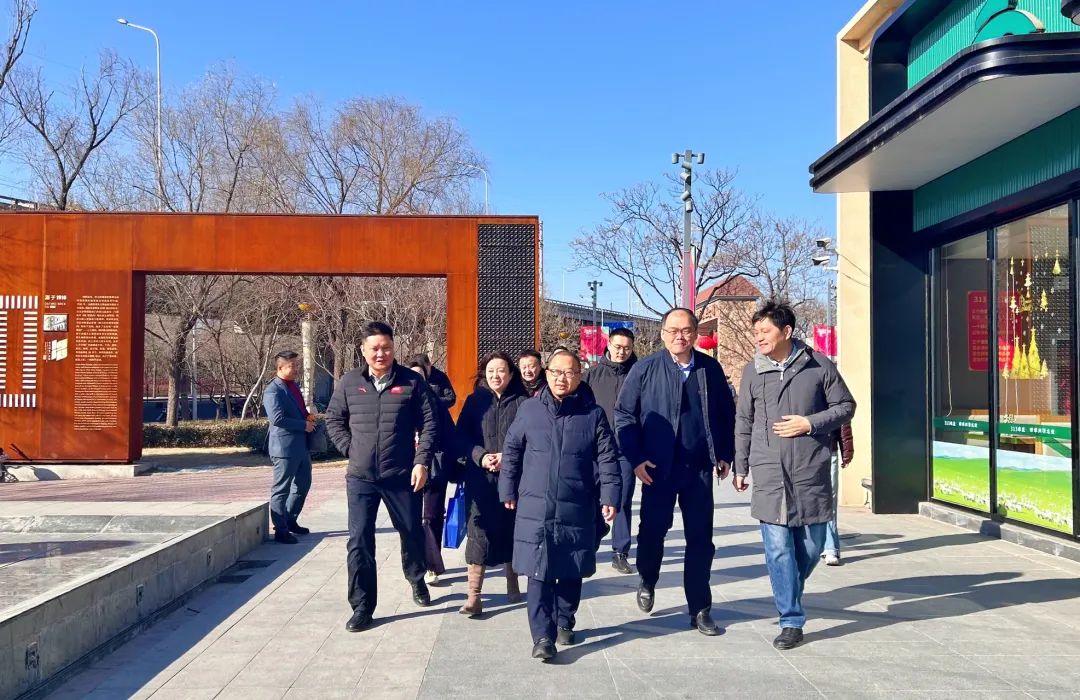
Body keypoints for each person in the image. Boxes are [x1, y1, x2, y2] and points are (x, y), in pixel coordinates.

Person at [733, 301, 855, 650]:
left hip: (809, 469)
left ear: (786, 331)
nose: (759, 337)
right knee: (778, 549)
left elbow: (846, 406)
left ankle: (789, 588)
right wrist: (741, 465)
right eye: (756, 332)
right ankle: (790, 619)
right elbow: (744, 420)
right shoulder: (752, 371)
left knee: (813, 546)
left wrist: (809, 423)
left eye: (765, 331)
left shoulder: (819, 365)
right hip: (769, 471)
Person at [614, 307, 735, 636]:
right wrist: (636, 458)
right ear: (663, 334)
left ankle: (700, 608)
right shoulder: (645, 369)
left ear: (695, 334)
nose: (679, 336)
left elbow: (726, 414)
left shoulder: (709, 369)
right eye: (673, 330)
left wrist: (725, 453)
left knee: (701, 539)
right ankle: (647, 578)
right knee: (653, 531)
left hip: (698, 469)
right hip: (657, 468)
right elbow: (624, 415)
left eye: (686, 330)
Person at [500, 350, 621, 661]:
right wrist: (507, 488)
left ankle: (565, 619)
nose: (561, 378)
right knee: (537, 571)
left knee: (571, 567)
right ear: (547, 373)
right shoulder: (529, 409)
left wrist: (610, 496)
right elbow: (512, 450)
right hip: (535, 505)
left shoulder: (592, 414)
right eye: (555, 372)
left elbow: (608, 458)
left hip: (576, 504)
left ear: (579, 376)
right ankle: (542, 636)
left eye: (569, 373)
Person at [325, 322, 438, 633]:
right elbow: (333, 419)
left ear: (393, 348)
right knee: (359, 541)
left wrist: (421, 462)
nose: (381, 353)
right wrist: (350, 449)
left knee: (410, 531)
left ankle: (416, 577)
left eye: (386, 347)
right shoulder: (350, 382)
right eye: (374, 348)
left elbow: (430, 424)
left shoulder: (412, 382)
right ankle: (362, 607)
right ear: (363, 350)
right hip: (361, 477)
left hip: (401, 474)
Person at [455, 351, 528, 616]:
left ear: (511, 374)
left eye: (501, 371)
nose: (496, 376)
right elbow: (460, 438)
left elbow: (532, 438)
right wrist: (481, 456)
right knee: (478, 532)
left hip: (514, 478)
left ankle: (512, 581)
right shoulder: (475, 401)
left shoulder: (524, 402)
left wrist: (508, 457)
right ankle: (473, 596)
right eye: (491, 371)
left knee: (512, 528)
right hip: (480, 478)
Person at [582, 327, 638, 574]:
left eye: (627, 348)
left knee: (622, 499)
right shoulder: (592, 375)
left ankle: (620, 551)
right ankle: (594, 535)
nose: (622, 352)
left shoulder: (639, 374)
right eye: (618, 347)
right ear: (608, 345)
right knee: (592, 496)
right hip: (596, 448)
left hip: (627, 448)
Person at [406, 355, 457, 585]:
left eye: (421, 375)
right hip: (408, 464)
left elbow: (450, 435)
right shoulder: (402, 402)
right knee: (412, 515)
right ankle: (416, 560)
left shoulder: (437, 402)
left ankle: (432, 564)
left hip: (436, 463)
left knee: (433, 514)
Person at [262, 350, 316, 544]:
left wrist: (308, 417)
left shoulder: (293, 386)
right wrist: (303, 425)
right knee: (282, 489)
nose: (296, 369)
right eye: (292, 366)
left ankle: (290, 520)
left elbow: (297, 411)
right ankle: (280, 530)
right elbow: (277, 419)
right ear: (280, 368)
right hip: (284, 448)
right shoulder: (273, 390)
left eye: (297, 365)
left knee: (303, 484)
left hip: (301, 446)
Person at [822, 423, 855, 566]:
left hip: (830, 451)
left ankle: (830, 548)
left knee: (830, 499)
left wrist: (847, 452)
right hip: (803, 453)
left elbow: (843, 421)